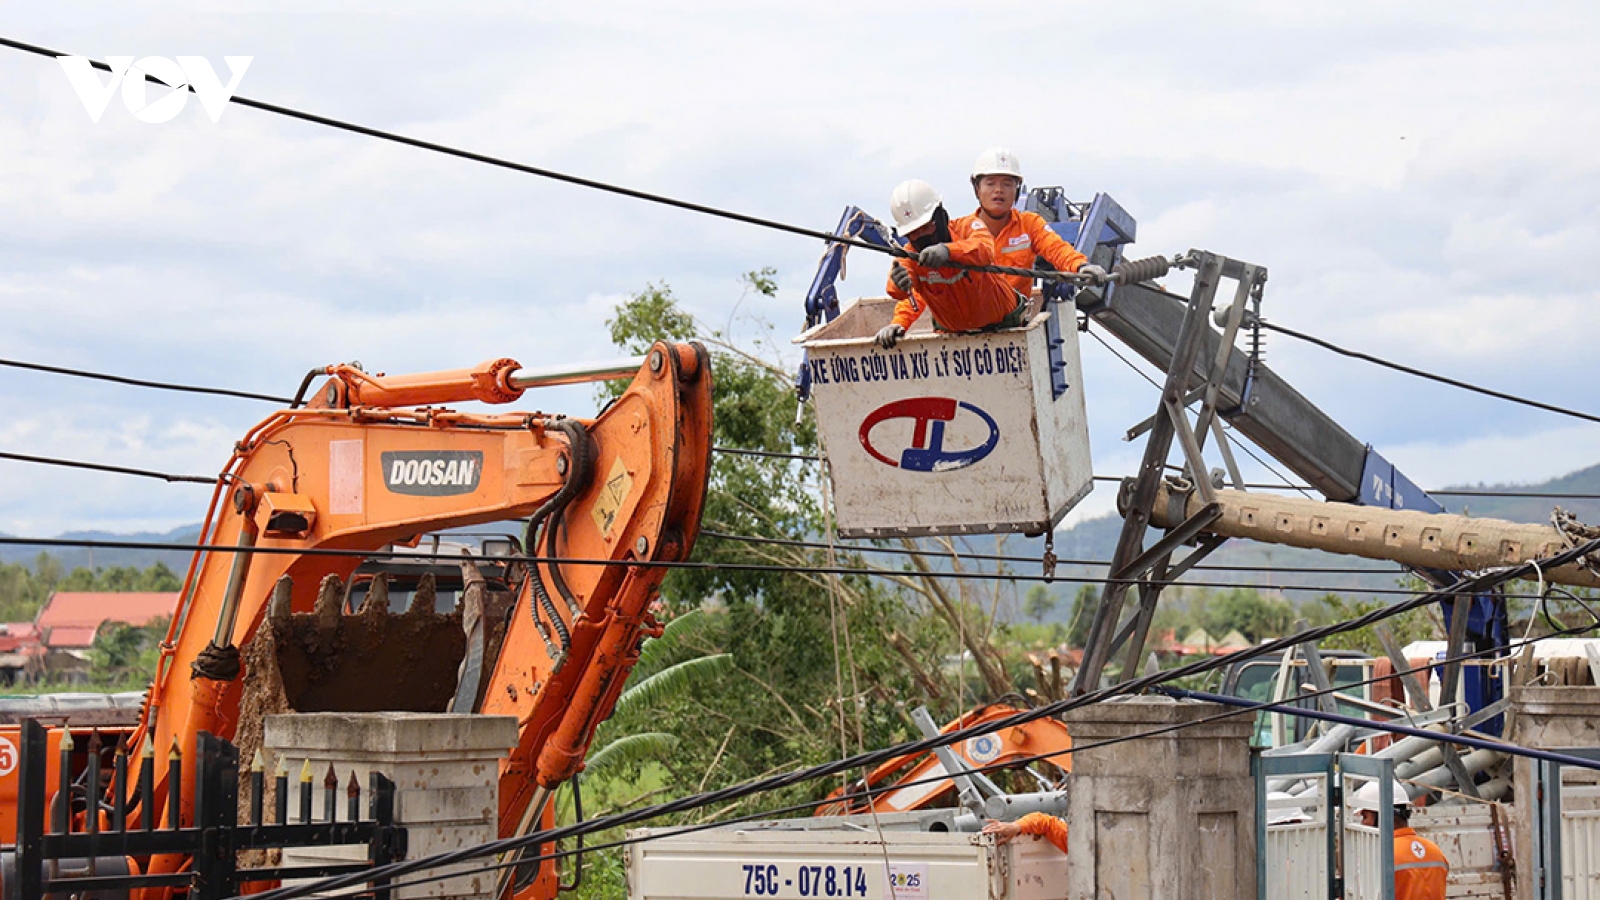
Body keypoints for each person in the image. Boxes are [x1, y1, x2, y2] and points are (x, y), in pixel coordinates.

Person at [874, 179, 1026, 349]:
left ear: (940, 217)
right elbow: (905, 293)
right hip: (954, 342)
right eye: (914, 233)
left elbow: (985, 249)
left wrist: (948, 251)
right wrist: (898, 316)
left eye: (926, 227)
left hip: (1006, 329)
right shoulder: (909, 256)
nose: (922, 236)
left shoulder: (967, 227)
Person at [958, 147, 1103, 296]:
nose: (999, 190)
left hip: (1015, 310)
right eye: (990, 183)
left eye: (1007, 184)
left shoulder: (1029, 225)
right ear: (977, 189)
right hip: (971, 310)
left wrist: (1080, 266)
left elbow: (1056, 248)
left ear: (1017, 190)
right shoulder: (959, 230)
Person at [1354, 779, 1448, 900]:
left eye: (1365, 816)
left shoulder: (1379, 856)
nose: (1363, 823)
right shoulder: (1435, 852)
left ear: (1380, 814)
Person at [981, 812, 1067, 854]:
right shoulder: (1071, 839)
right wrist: (1016, 826)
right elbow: (1047, 823)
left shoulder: (1072, 840)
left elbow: (1048, 824)